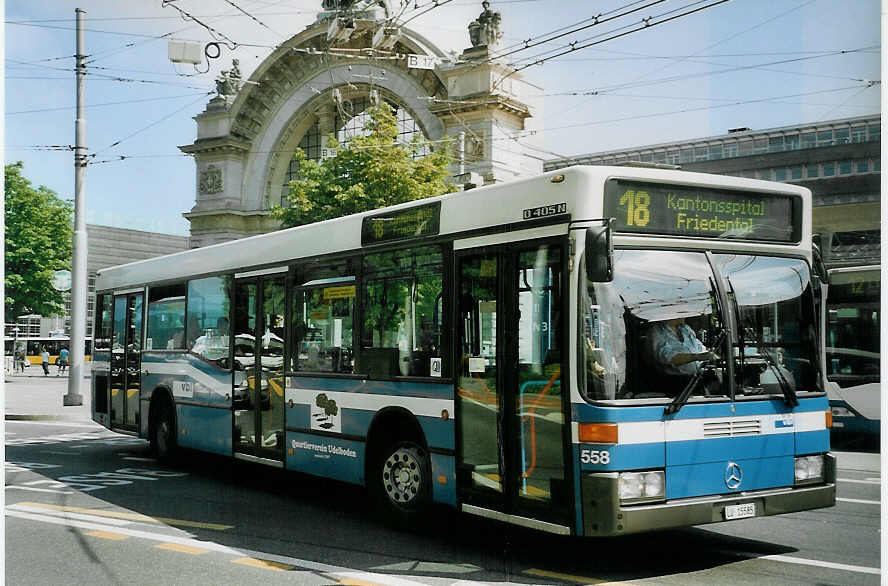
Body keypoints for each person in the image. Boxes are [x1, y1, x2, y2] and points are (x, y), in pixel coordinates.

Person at [650, 317, 718, 394]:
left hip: (696, 380)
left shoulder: (686, 328)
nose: (685, 315)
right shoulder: (657, 332)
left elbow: (699, 347)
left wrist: (710, 355)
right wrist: (697, 357)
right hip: (674, 385)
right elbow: (668, 358)